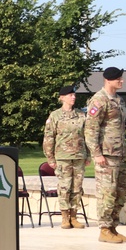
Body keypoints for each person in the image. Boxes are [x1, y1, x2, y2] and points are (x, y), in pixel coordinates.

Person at [85, 66, 126, 244]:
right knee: (107, 192)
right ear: (108, 80)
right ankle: (104, 229)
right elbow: (90, 130)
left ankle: (113, 227)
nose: (122, 81)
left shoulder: (119, 100)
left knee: (120, 192)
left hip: (120, 153)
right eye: (119, 78)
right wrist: (96, 154)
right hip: (106, 155)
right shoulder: (99, 100)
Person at [43, 85, 88, 229]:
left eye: (74, 95)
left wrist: (89, 155)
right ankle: (64, 217)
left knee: (77, 187)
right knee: (64, 187)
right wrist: (50, 158)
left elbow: (88, 136)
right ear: (62, 98)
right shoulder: (55, 116)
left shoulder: (81, 115)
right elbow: (49, 138)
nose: (73, 97)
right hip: (62, 157)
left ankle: (74, 216)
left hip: (79, 156)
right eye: (70, 95)